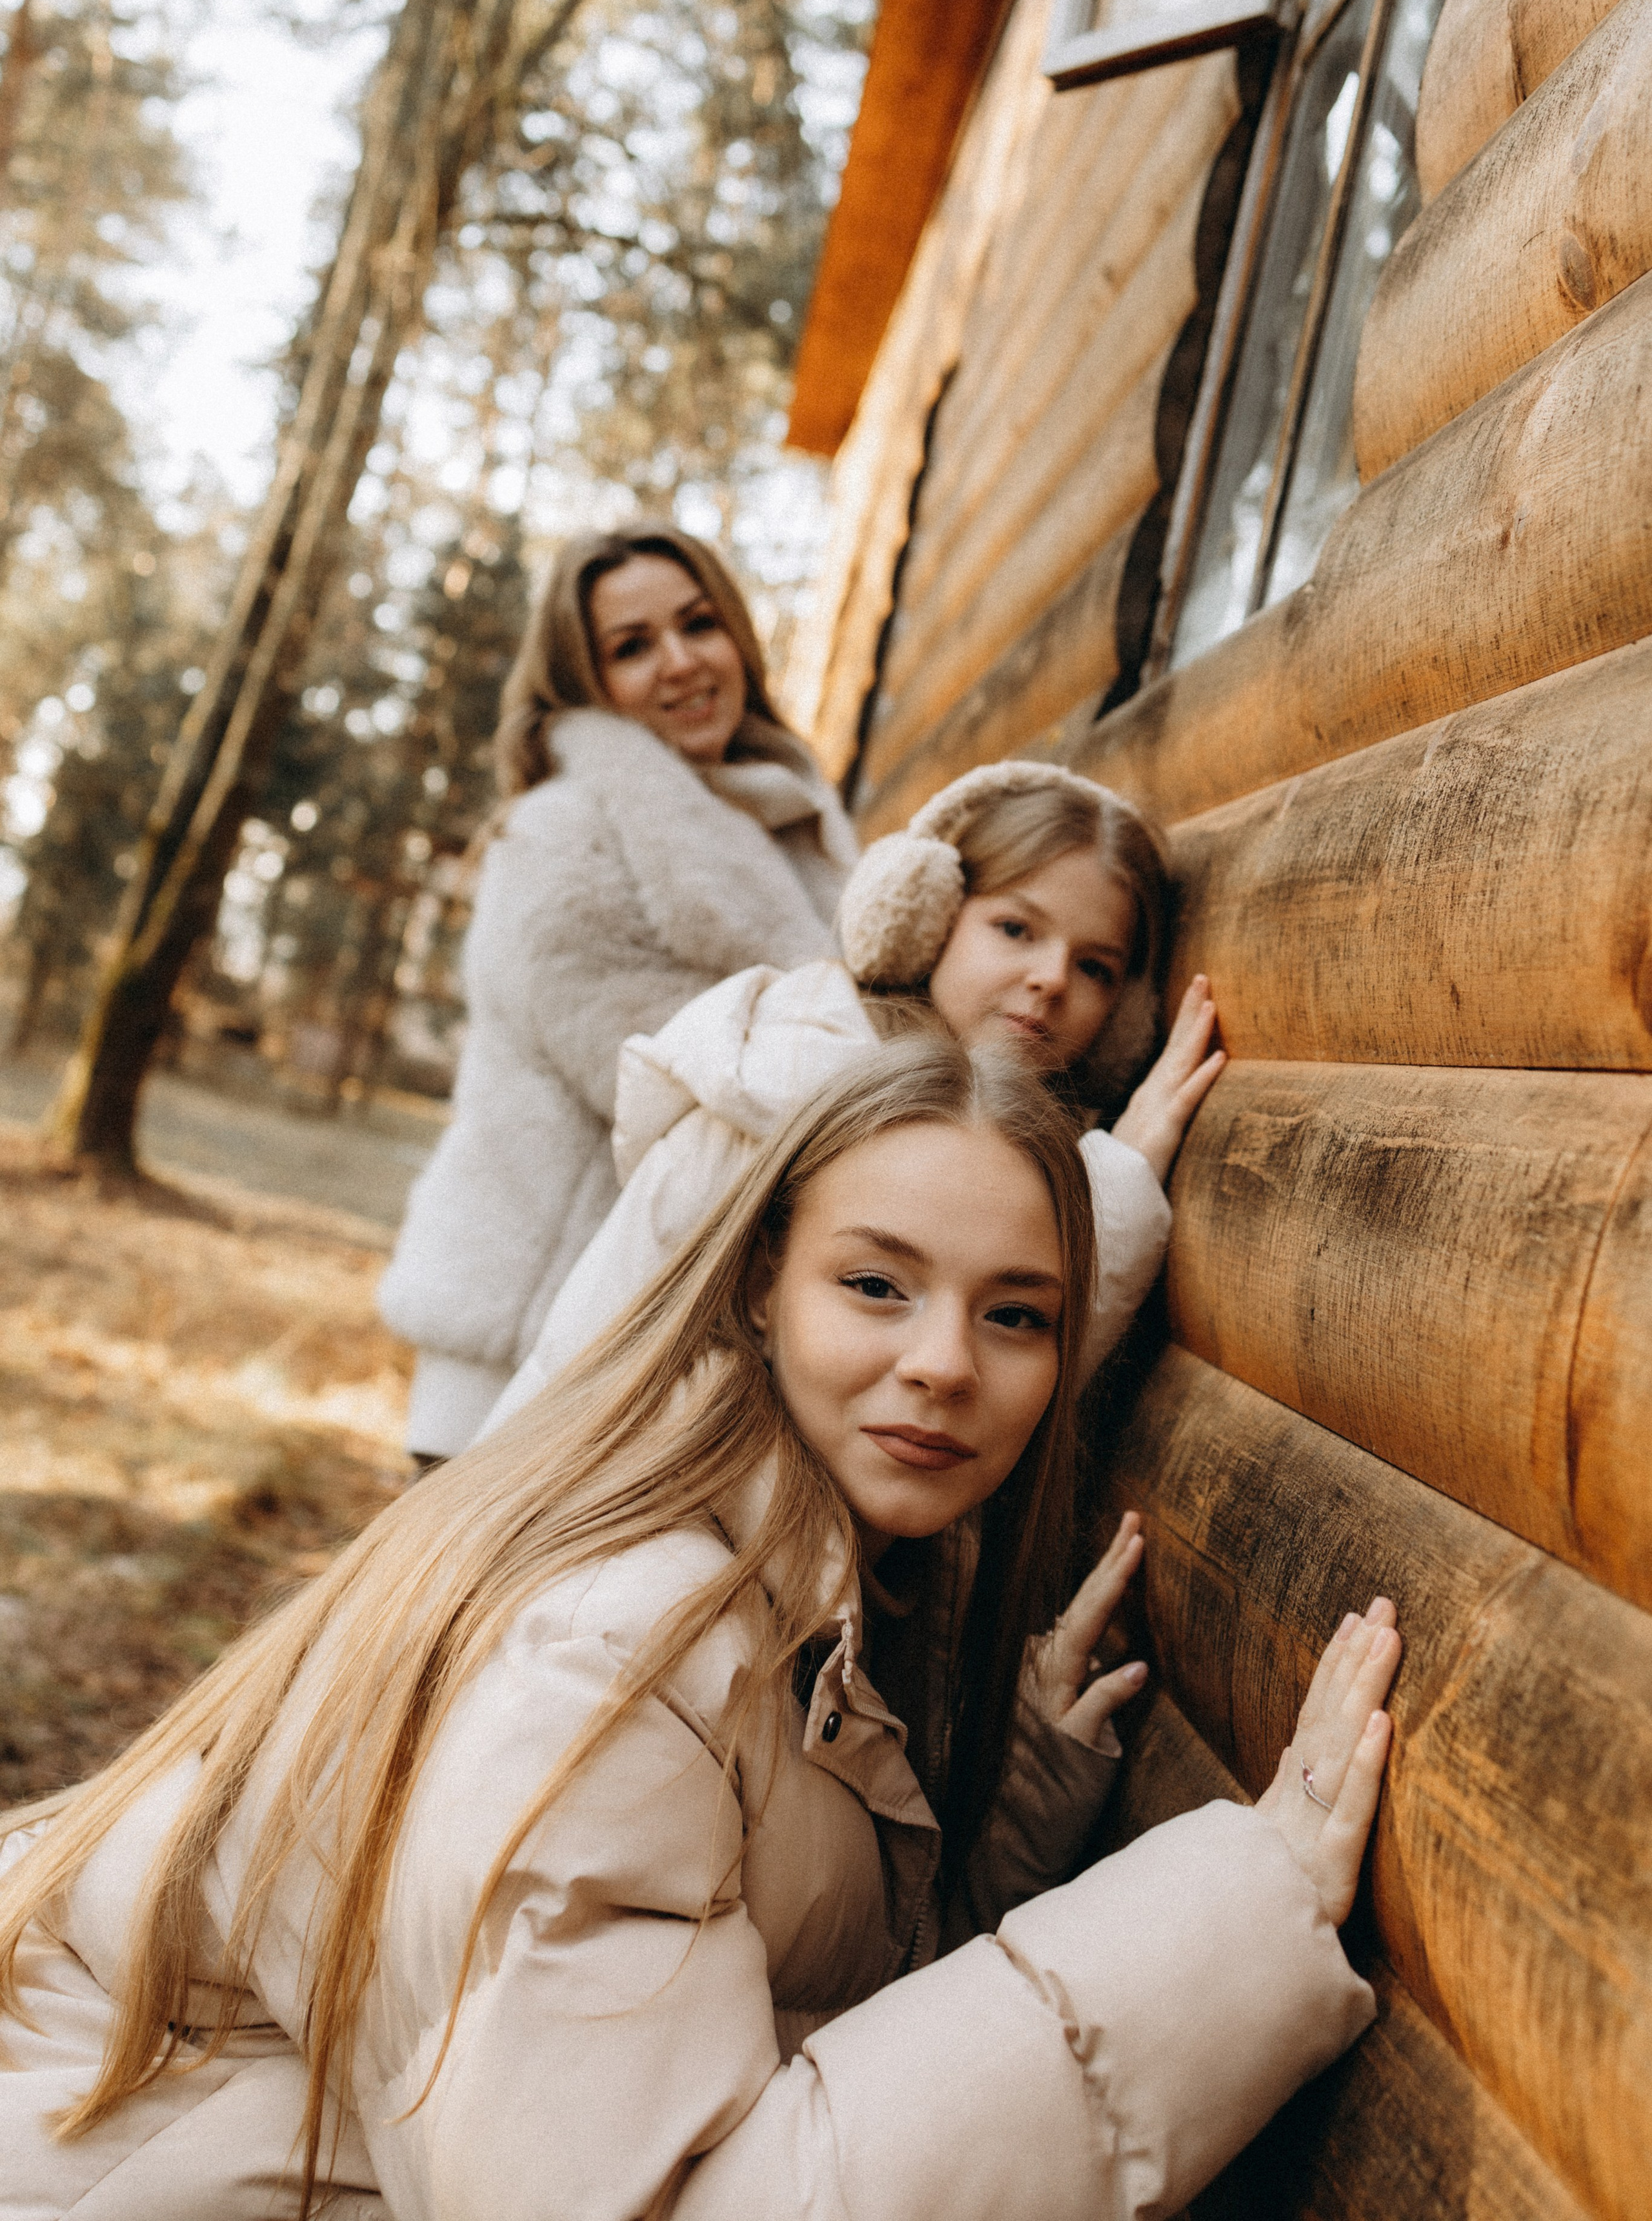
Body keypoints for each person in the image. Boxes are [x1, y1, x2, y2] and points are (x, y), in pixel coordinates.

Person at [0, 1038, 1398, 2220]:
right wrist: (1235, 1907)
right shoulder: (618, 1654)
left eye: (1016, 1314)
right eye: (874, 1285)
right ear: (757, 1288)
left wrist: (1014, 1824)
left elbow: (742, 2018)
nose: (942, 1364)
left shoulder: (787, 1572)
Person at [478, 758, 1224, 1438]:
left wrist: (1120, 1172)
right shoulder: (784, 1086)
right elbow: (623, 1362)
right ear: (921, 919)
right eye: (1014, 928)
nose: (1052, 978)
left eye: (1095, 967)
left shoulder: (990, 1132)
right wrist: (1119, 1185)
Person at [378, 521, 858, 1463]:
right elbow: (680, 1076)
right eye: (632, 648)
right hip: (527, 1361)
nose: (680, 662)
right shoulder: (558, 838)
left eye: (698, 625)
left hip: (664, 1366)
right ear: (584, 681)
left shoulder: (784, 819)